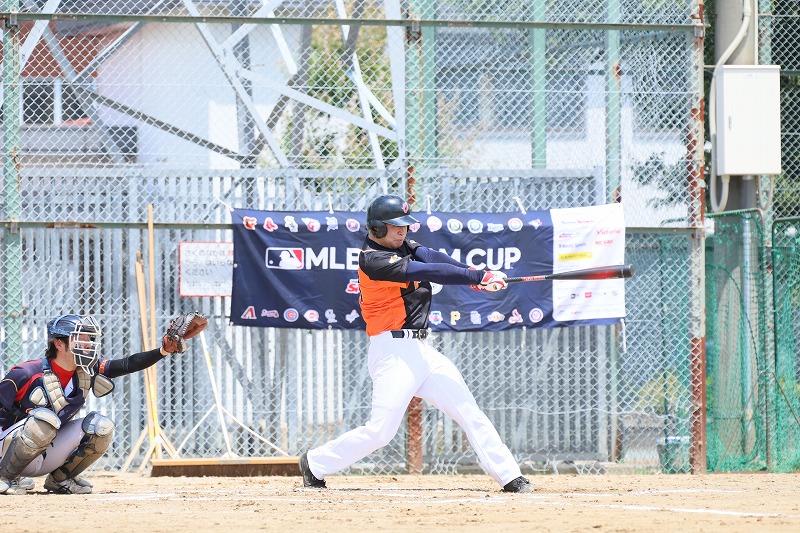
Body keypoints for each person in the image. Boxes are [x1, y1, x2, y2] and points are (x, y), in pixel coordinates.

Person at [299, 194, 532, 493]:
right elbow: (428, 271)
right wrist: (477, 275)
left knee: (468, 411)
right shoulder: (373, 260)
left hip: (423, 351)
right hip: (393, 353)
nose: (403, 231)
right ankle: (315, 462)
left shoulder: (402, 245)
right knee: (381, 432)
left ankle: (509, 476)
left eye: (405, 225)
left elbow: (434, 258)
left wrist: (474, 278)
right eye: (395, 226)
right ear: (376, 227)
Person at [0, 313, 198, 495]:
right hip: (5, 451)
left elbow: (127, 364)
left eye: (89, 339)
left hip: (40, 456)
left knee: (100, 426)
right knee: (44, 420)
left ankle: (60, 479)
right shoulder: (26, 373)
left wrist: (163, 350)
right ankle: (4, 478)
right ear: (59, 344)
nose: (88, 344)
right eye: (81, 338)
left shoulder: (87, 369)